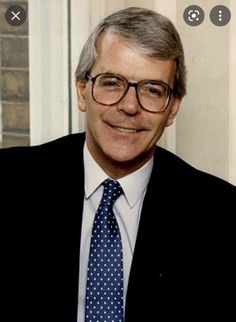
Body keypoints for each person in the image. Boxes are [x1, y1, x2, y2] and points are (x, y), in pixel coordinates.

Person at [0, 6, 235, 322]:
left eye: (152, 90)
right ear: (83, 90)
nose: (129, 106)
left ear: (173, 108)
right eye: (112, 82)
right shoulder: (8, 184)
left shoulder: (222, 216)